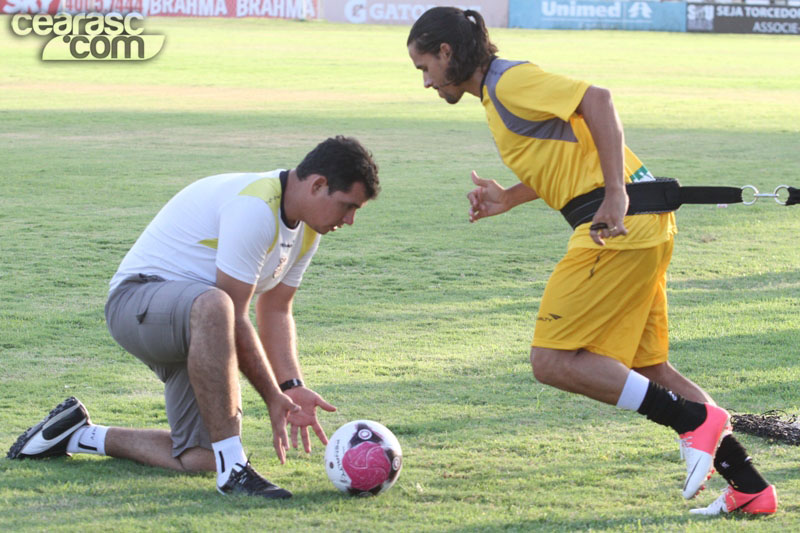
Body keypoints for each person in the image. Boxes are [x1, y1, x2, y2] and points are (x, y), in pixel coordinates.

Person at [406, 7, 777, 516]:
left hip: (618, 228)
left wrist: (617, 193)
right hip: (640, 226)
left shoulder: (509, 81)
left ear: (446, 53)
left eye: (424, 67)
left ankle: (693, 421)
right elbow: (565, 156)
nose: (426, 81)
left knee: (552, 360)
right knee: (649, 368)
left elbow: (598, 100)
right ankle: (750, 487)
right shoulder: (496, 96)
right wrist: (509, 197)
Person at [7, 136, 381, 500]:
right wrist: (270, 396)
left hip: (196, 324)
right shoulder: (256, 206)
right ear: (318, 185)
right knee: (217, 304)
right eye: (348, 206)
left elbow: (276, 308)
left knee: (200, 457)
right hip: (136, 303)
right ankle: (235, 471)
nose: (349, 220)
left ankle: (75, 435)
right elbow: (231, 315)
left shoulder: (306, 231)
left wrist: (291, 386)